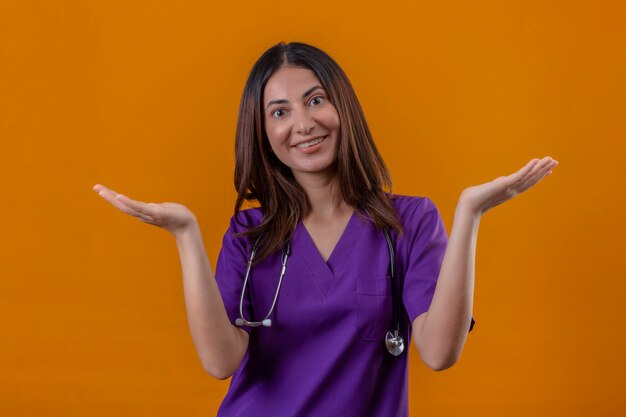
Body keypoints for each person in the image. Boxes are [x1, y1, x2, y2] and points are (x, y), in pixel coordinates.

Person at [93, 41, 558, 416]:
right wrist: (186, 235)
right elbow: (220, 362)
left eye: (315, 100)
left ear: (343, 107)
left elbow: (439, 352)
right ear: (262, 132)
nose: (303, 123)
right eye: (279, 112)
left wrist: (469, 215)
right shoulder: (250, 235)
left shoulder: (409, 223)